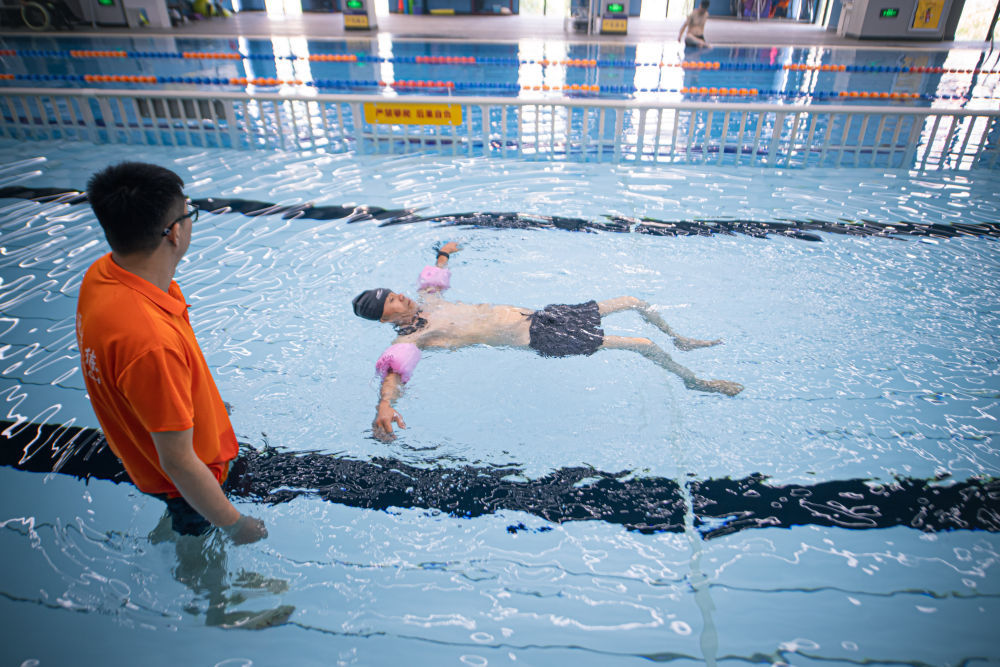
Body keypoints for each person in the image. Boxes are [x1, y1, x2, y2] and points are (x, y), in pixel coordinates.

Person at [352, 243, 743, 440]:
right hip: (541, 336)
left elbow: (433, 278)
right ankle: (695, 381)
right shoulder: (418, 335)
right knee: (641, 343)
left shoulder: (428, 303)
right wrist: (384, 406)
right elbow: (395, 370)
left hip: (544, 314)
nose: (399, 297)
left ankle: (681, 340)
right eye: (390, 301)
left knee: (634, 302)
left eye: (394, 292)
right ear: (384, 316)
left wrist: (443, 254)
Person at [77, 162, 266, 545]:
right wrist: (236, 525)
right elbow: (179, 463)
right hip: (186, 483)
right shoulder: (150, 343)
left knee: (181, 516)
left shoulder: (102, 274)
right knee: (201, 551)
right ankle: (216, 604)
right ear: (175, 232)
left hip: (148, 458)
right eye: (189, 213)